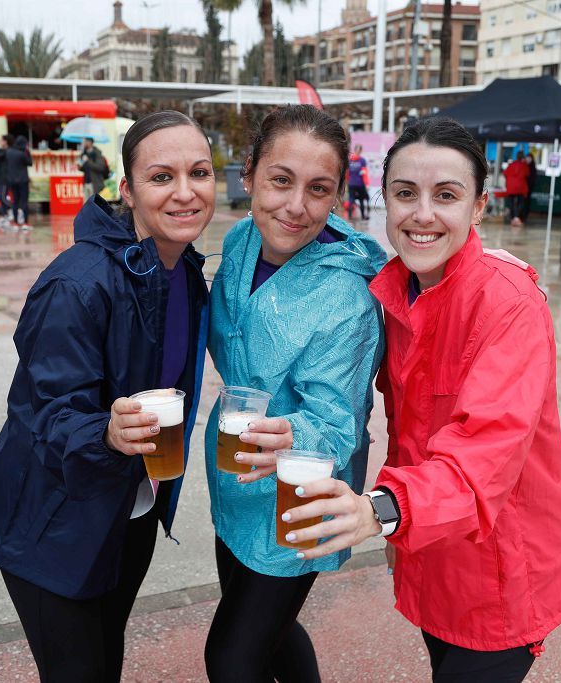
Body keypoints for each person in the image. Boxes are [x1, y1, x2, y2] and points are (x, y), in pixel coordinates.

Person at [282, 117, 561, 682]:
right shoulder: (395, 289)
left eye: (446, 195)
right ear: (383, 201)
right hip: (430, 551)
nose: (422, 215)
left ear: (479, 207)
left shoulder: (509, 303)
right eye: (405, 194)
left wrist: (384, 509)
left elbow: (483, 457)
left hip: (502, 567)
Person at [0, 110, 216, 683]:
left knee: (106, 658)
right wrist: (103, 432)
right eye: (162, 177)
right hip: (52, 520)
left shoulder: (182, 271)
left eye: (200, 173)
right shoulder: (78, 281)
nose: (185, 193)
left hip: (130, 508)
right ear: (128, 191)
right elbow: (45, 410)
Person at [202, 104, 386, 683]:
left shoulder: (347, 298)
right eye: (280, 180)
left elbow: (339, 423)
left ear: (337, 196)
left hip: (298, 493)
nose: (296, 206)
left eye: (319, 189)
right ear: (250, 173)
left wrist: (293, 433)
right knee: (274, 634)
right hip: (233, 476)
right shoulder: (239, 242)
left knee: (230, 661)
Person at [3, 134, 33, 230]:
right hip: (23, 181)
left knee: (15, 202)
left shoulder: (8, 152)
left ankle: (16, 222)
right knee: (24, 202)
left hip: (12, 180)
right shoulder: (22, 153)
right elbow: (30, 162)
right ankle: (25, 223)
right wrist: (27, 151)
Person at [503, 149, 529, 227]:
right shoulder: (524, 165)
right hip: (520, 187)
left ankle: (512, 218)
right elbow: (527, 174)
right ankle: (516, 218)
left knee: (511, 203)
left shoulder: (511, 164)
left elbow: (505, 173)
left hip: (511, 186)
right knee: (520, 203)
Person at [0, 135, 13, 227]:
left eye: (1, 140)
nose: (0, 142)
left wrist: (1, 149)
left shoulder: (8, 151)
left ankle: (14, 209)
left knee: (2, 197)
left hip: (5, 177)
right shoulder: (0, 151)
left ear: (5, 141)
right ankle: (5, 215)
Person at [347, 143, 370, 220]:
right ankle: (363, 216)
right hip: (360, 184)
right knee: (361, 200)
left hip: (351, 183)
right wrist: (367, 184)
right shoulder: (362, 160)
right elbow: (364, 174)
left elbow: (347, 173)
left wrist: (348, 182)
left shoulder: (350, 160)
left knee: (351, 199)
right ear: (360, 151)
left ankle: (350, 217)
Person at [520, 152, 537, 223]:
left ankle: (524, 216)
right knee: (522, 202)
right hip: (522, 188)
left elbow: (532, 178)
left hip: (528, 188)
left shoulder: (532, 167)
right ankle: (522, 216)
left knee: (526, 202)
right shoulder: (524, 165)